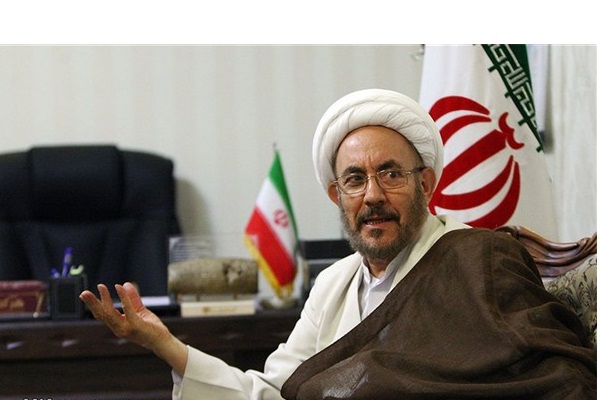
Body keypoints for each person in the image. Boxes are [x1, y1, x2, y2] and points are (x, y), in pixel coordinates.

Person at [80, 89, 596, 399]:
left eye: (390, 173)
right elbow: (276, 392)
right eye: (354, 180)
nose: (373, 195)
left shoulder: (479, 257)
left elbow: (557, 379)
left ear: (426, 184)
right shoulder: (333, 283)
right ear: (337, 196)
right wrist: (164, 344)